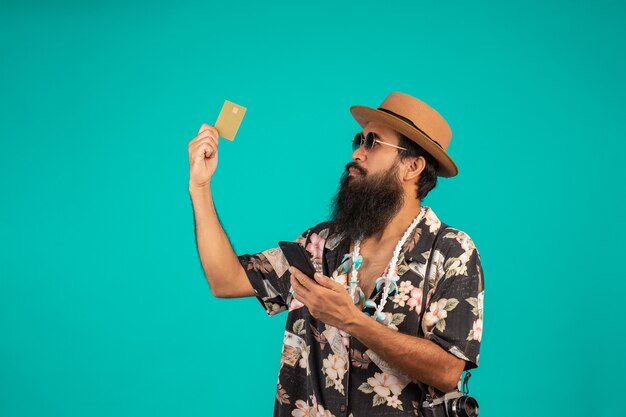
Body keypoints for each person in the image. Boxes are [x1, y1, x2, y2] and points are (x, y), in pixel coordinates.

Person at [188, 92, 485, 417]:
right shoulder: (323, 244)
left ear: (412, 166)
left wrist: (352, 321)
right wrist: (200, 188)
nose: (357, 152)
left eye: (373, 142)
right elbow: (225, 280)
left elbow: (447, 370)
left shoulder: (451, 252)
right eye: (359, 139)